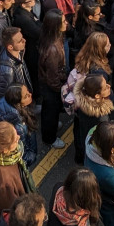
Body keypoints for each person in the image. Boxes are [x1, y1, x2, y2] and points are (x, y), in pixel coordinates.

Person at [38, 8, 68, 149]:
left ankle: (52, 127)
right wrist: (60, 89)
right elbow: (52, 77)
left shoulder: (51, 38)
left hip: (49, 84)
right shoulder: (53, 49)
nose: (66, 23)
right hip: (52, 87)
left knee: (50, 110)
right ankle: (49, 138)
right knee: (51, 111)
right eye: (63, 21)